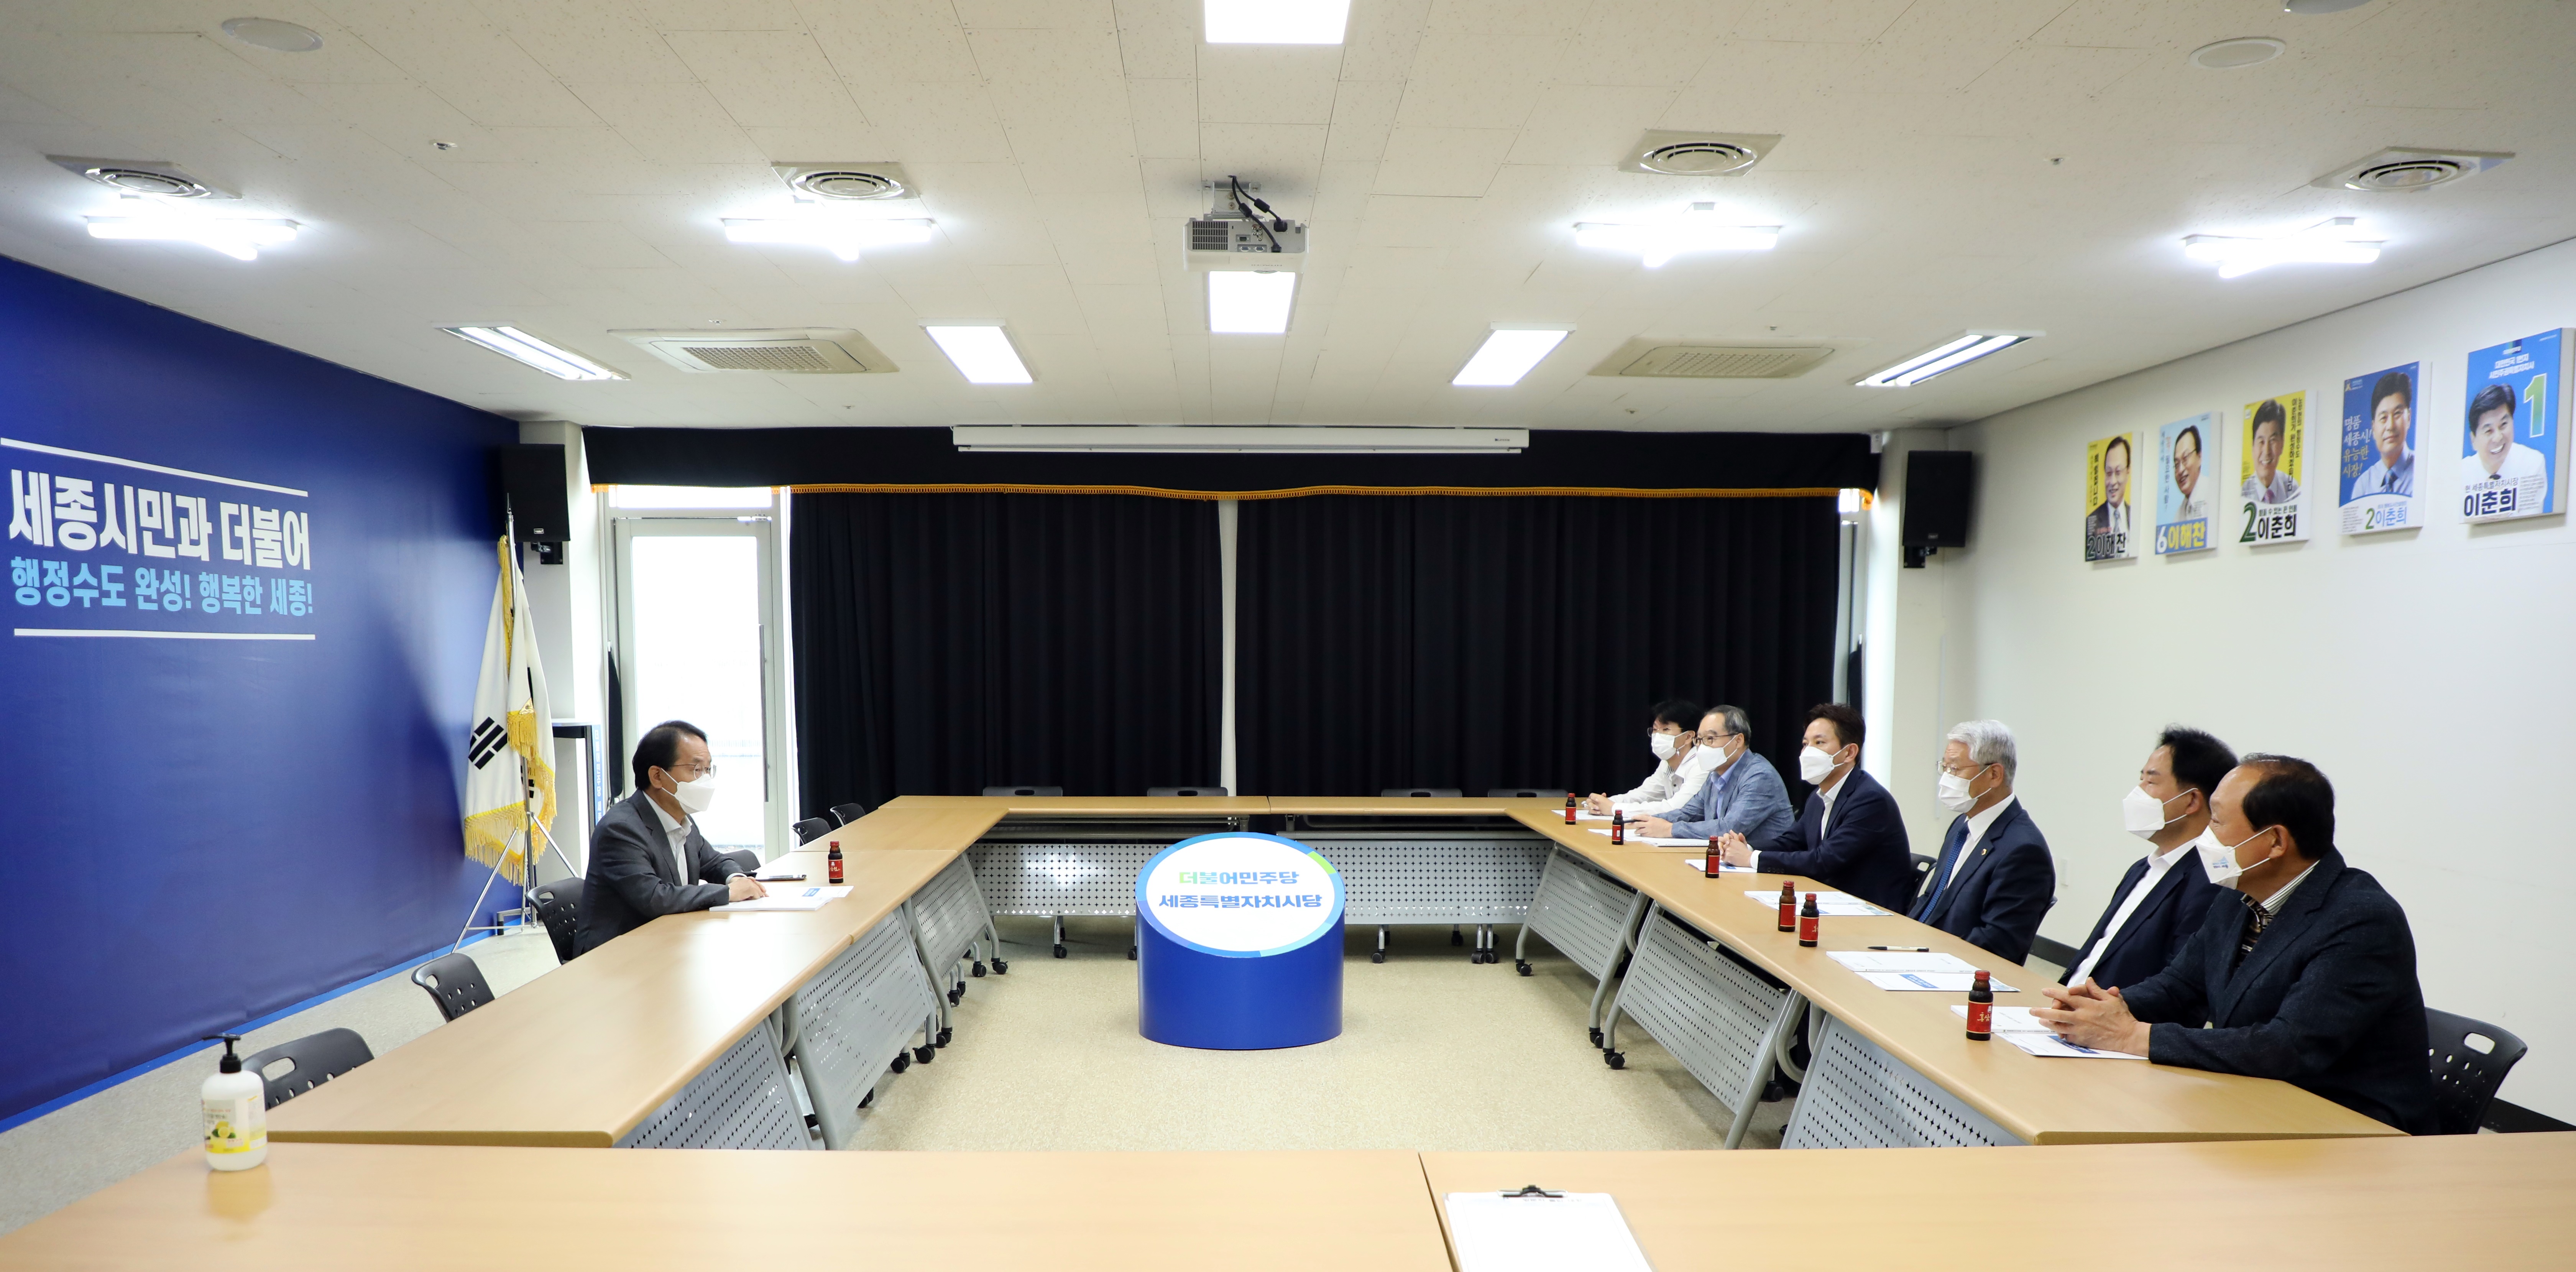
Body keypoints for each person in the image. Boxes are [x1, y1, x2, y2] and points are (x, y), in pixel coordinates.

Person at [2032, 756, 2436, 1134]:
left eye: (2217, 822)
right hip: (2259, 1097)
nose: (2205, 837)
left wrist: (2133, 1036)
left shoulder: (2361, 919)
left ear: (2275, 842)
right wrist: (2100, 1010)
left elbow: (2287, 1048)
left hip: (2351, 1126)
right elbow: (2179, 987)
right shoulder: (2240, 894)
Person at [2059, 727, 2232, 989]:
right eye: (2141, 779)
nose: (2137, 792)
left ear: (2191, 801)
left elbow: (2181, 988)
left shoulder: (2211, 883)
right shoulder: (2142, 868)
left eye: (2151, 782)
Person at [575, 720, 766, 955]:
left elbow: (713, 861)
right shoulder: (621, 829)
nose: (705, 779)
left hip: (671, 939)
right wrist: (728, 893)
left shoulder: (680, 817)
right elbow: (655, 898)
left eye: (708, 770)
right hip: (617, 953)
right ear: (657, 776)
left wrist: (736, 879)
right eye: (696, 770)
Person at [1711, 703, 1913, 913]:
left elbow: (1823, 861)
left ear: (1849, 752)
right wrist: (1747, 847)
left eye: (1819, 743)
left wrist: (1751, 859)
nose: (1808, 752)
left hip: (1870, 912)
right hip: (1832, 901)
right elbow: (1792, 842)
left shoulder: (1870, 800)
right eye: (1806, 744)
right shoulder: (1819, 797)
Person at [1909, 720, 2053, 964]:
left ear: (1994, 775)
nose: (1946, 779)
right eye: (1945, 768)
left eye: (1955, 769)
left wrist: (1928, 954)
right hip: (1922, 951)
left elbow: (1997, 942)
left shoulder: (2023, 850)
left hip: (1957, 968)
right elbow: (1933, 899)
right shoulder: (1962, 825)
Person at [1637, 705, 1794, 848]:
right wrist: (1647, 822)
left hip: (1768, 865)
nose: (1702, 747)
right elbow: (1689, 813)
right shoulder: (1716, 774)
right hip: (1731, 861)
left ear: (1738, 740)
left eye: (1710, 739)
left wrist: (1670, 829)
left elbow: (1728, 829)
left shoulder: (1760, 776)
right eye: (1700, 740)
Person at [1585, 698, 1713, 818]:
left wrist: (1614, 809)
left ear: (1688, 737)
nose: (1658, 735)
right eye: (1655, 730)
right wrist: (1602, 803)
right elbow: (1643, 795)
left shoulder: (1701, 765)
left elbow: (1676, 808)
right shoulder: (1666, 763)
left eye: (1666, 729)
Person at [2461, 382, 2548, 486]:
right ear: (2473, 440)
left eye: (2503, 425)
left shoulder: (2532, 463)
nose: (2498, 437)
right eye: (2489, 431)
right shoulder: (2462, 474)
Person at [2348, 371, 2415, 498]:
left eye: (2397, 414)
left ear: (2409, 417)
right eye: (2384, 418)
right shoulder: (2364, 485)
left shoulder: (2422, 470)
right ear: (2373, 428)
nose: (2391, 426)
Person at [2241, 399, 2301, 505]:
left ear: (2282, 443)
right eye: (2261, 442)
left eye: (2273, 440)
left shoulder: (2293, 490)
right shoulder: (2244, 494)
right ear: (2253, 446)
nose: (2267, 451)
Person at [2083, 436, 2132, 552]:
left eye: (2118, 472)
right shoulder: (2092, 522)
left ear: (2128, 472)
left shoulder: (2134, 515)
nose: (2112, 482)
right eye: (2109, 473)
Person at [2170, 422, 2211, 522]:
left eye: (2186, 458)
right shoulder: (2180, 513)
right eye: (2177, 464)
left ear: (2199, 457)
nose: (2180, 470)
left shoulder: (2211, 494)